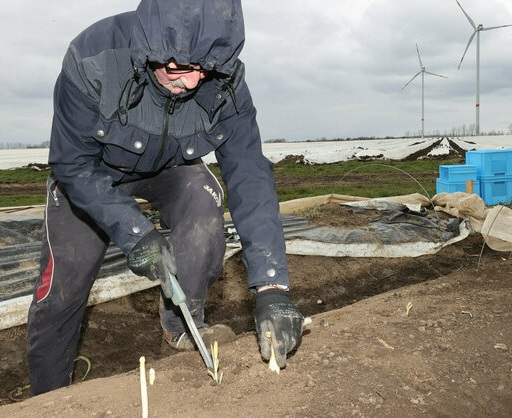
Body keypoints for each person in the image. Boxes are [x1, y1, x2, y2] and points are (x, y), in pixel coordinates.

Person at [27, 0, 304, 396]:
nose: (191, 83)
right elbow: (71, 162)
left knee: (204, 199)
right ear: (148, 46)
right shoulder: (92, 58)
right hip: (91, 173)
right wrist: (135, 231)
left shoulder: (224, 81)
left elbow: (250, 173)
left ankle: (179, 332)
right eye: (177, 68)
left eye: (202, 70)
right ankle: (48, 398)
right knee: (61, 294)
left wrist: (272, 287)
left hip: (172, 168)